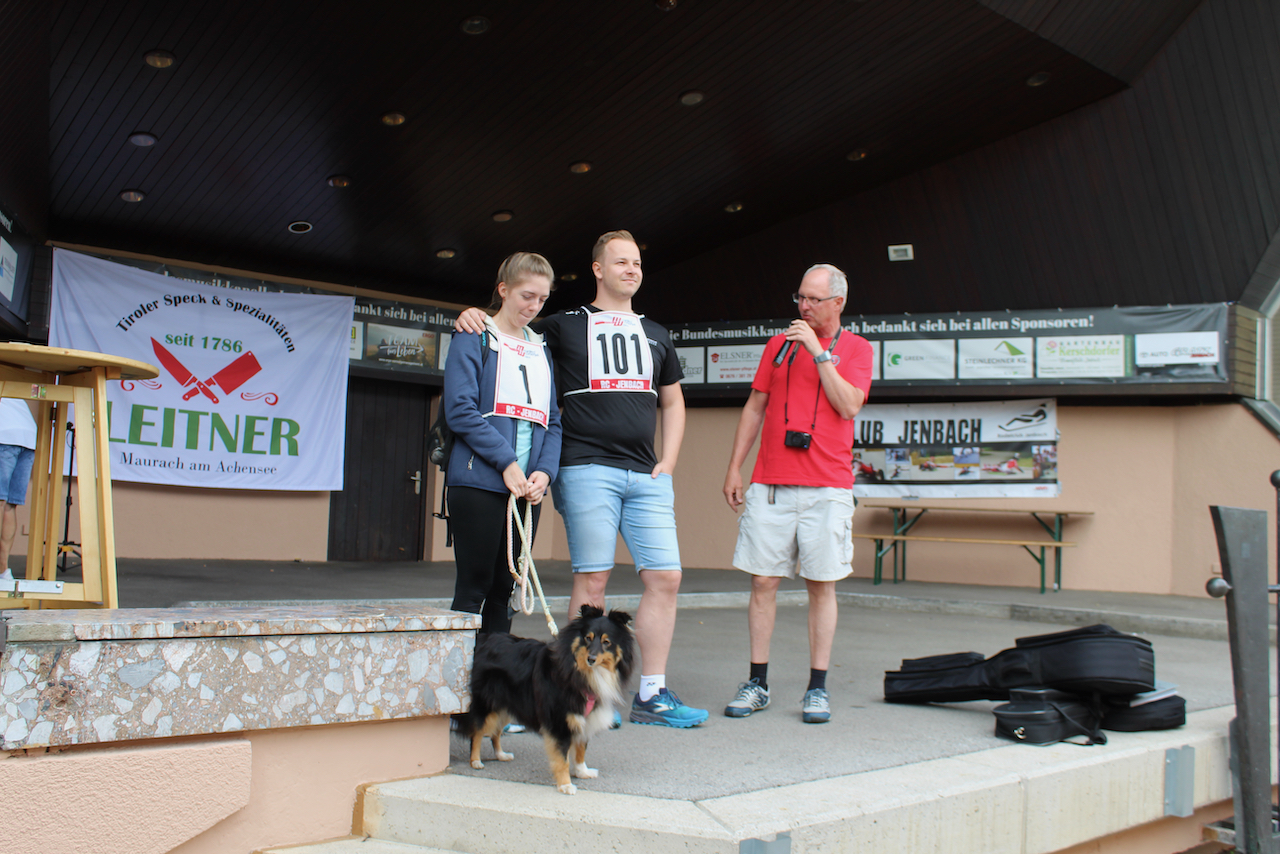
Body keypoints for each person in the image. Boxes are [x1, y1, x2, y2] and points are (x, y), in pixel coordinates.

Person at [456, 230, 707, 728]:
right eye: (621, 262)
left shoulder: (657, 332)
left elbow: (673, 400)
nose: (632, 270)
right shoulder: (560, 325)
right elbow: (510, 326)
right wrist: (472, 315)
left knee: (666, 577)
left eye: (637, 263)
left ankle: (652, 693)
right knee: (592, 579)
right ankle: (574, 695)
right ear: (598, 269)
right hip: (587, 467)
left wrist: (669, 460)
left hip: (646, 474)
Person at [721, 263, 873, 723]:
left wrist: (819, 353)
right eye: (800, 298)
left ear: (838, 303)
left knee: (821, 585)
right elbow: (755, 407)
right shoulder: (778, 346)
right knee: (762, 582)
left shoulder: (857, 349)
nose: (804, 306)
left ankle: (817, 688)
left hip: (827, 487)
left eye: (813, 299)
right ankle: (757, 682)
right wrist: (735, 467)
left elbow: (848, 405)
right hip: (771, 483)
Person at [445, 252, 562, 635]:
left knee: (504, 591)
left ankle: (496, 674)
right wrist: (507, 462)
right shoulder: (474, 335)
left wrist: (545, 472)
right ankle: (460, 673)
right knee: (473, 589)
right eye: (527, 296)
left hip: (526, 490)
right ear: (504, 290)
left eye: (542, 299)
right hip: (480, 482)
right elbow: (460, 410)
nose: (534, 306)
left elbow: (553, 420)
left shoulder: (540, 347)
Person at [0, 398, 37, 582]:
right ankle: (3, 571)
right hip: (28, 436)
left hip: (4, 432)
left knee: (2, 502)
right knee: (9, 505)